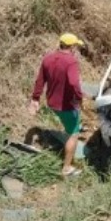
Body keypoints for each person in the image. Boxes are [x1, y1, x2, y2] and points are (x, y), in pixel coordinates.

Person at [30, 32, 86, 177]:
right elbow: (74, 83)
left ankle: (72, 128)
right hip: (66, 105)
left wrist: (35, 99)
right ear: (72, 46)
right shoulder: (71, 61)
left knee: (70, 124)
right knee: (73, 134)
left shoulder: (48, 58)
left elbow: (40, 81)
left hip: (52, 103)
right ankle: (67, 168)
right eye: (75, 46)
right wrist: (79, 97)